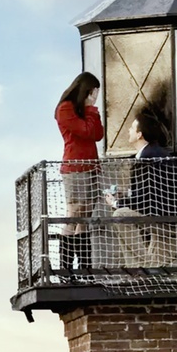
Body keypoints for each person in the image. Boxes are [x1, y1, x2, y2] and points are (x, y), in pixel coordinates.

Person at [104, 110, 177, 267]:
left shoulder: (149, 157)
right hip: (176, 219)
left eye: (132, 128)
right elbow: (151, 191)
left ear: (139, 134)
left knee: (120, 215)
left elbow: (146, 198)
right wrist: (127, 193)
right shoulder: (155, 153)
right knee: (159, 266)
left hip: (167, 221)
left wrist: (116, 203)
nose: (128, 131)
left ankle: (138, 268)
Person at [55, 72, 103, 271]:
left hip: (91, 167)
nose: (95, 96)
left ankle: (85, 268)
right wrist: (90, 109)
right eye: (93, 92)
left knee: (85, 216)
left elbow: (97, 134)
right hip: (75, 168)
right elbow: (84, 131)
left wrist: (91, 110)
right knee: (75, 213)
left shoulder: (88, 111)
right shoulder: (66, 108)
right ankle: (66, 267)